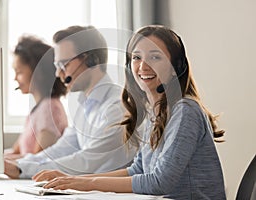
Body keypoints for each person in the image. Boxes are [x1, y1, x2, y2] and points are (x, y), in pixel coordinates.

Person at [33, 25, 227, 199]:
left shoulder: (185, 111)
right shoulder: (155, 113)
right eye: (136, 57)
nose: (143, 66)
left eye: (155, 57)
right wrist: (73, 179)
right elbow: (138, 169)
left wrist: (84, 184)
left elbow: (160, 181)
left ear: (175, 68)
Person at [4, 26, 137, 179]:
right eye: (57, 66)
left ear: (92, 60)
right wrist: (18, 164)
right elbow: (61, 149)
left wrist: (23, 169)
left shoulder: (117, 107)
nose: (58, 73)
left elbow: (87, 161)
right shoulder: (83, 105)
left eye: (64, 64)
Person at [4, 35, 68, 160]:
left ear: (37, 73)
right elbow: (16, 152)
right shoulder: (38, 109)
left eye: (19, 72)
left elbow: (38, 159)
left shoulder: (50, 109)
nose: (15, 78)